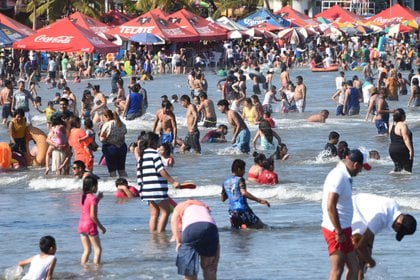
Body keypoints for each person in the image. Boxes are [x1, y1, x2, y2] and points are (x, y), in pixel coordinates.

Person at [321, 149, 371, 280]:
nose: (360, 172)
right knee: (337, 270)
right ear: (355, 165)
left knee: (355, 268)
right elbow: (330, 205)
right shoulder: (339, 176)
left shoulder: (344, 174)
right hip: (335, 230)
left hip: (345, 229)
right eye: (361, 168)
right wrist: (338, 231)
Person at [351, 193, 417, 280]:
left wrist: (369, 250)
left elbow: (372, 229)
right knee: (357, 262)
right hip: (350, 212)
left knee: (364, 257)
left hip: (359, 211)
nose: (396, 231)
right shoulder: (382, 217)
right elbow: (360, 247)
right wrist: (371, 261)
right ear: (399, 222)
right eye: (399, 230)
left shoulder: (394, 207)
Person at [137, 131, 181, 233]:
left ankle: (153, 235)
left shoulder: (141, 156)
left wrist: (141, 189)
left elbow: (139, 174)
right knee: (165, 212)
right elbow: (161, 170)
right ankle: (160, 234)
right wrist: (173, 182)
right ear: (153, 142)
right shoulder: (155, 154)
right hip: (157, 190)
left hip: (146, 190)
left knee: (154, 213)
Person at [171, 199, 220, 280]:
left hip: (191, 229)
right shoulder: (203, 207)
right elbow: (212, 226)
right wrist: (216, 260)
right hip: (211, 228)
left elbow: (174, 222)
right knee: (209, 267)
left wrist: (178, 242)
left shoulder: (179, 207)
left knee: (189, 271)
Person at [221, 159, 270, 229]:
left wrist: (232, 193)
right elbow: (243, 193)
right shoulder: (240, 179)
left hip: (232, 212)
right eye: (243, 169)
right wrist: (259, 200)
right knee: (262, 227)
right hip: (243, 209)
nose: (244, 172)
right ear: (238, 169)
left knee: (237, 231)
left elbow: (223, 198)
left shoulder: (225, 182)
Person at [78, 176, 106, 265]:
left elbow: (90, 204)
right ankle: (97, 269)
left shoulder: (84, 197)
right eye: (96, 186)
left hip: (81, 226)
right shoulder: (92, 198)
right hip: (90, 226)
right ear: (93, 187)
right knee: (98, 249)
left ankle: (83, 267)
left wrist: (98, 198)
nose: (97, 188)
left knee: (87, 250)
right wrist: (102, 228)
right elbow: (93, 216)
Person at [99, 109, 128, 177]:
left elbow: (102, 139)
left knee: (112, 171)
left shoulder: (107, 124)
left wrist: (100, 132)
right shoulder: (121, 123)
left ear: (107, 116)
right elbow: (125, 132)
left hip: (110, 148)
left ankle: (114, 185)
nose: (102, 119)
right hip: (122, 147)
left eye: (103, 117)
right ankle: (127, 183)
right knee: (122, 170)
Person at [388, 108, 413, 173]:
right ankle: (405, 183)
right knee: (407, 171)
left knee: (398, 170)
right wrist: (410, 150)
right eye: (404, 114)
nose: (405, 116)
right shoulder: (402, 125)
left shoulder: (391, 124)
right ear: (402, 116)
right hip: (402, 150)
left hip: (392, 150)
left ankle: (397, 182)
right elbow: (406, 138)